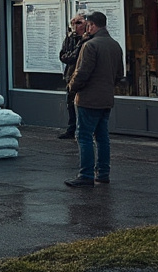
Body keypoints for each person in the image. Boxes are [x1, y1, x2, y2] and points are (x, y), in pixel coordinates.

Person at [64, 11, 123, 188]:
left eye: (88, 25)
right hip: (106, 98)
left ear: (92, 25)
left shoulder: (90, 46)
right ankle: (103, 173)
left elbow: (82, 72)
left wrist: (71, 87)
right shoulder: (115, 45)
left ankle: (86, 175)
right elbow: (119, 74)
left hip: (88, 99)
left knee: (84, 136)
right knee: (103, 137)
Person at [57, 15, 89, 140]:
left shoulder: (88, 39)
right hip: (71, 75)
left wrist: (75, 51)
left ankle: (84, 130)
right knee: (70, 103)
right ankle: (71, 129)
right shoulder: (70, 38)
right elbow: (64, 56)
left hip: (84, 76)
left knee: (83, 104)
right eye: (73, 22)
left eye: (79, 22)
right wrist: (74, 51)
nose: (75, 25)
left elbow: (77, 57)